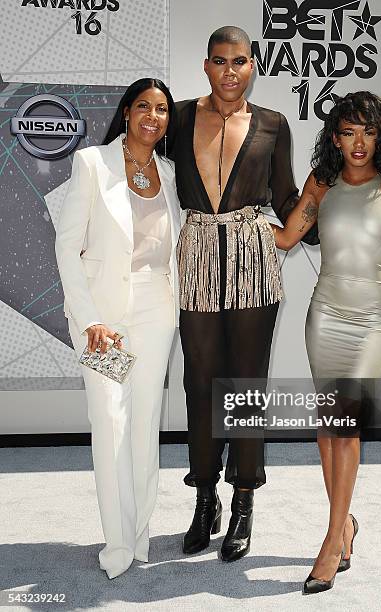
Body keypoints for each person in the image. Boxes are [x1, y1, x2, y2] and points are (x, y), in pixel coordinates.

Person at [173, 25, 318, 562]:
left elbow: (284, 195)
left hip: (254, 257)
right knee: (200, 383)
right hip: (198, 257)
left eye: (239, 61)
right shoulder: (179, 116)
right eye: (219, 61)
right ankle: (204, 499)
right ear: (206, 66)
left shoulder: (274, 125)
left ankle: (242, 504)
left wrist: (317, 199)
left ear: (253, 66)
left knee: (245, 387)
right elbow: (145, 166)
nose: (229, 71)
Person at [272, 91, 381, 594]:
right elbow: (288, 238)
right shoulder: (322, 182)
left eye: (369, 131)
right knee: (327, 430)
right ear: (335, 137)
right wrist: (236, 218)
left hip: (374, 322)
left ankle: (332, 540)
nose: (359, 143)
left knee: (346, 426)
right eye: (349, 132)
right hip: (325, 318)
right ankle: (345, 526)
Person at [55, 78, 180, 579]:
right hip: (103, 319)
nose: (154, 116)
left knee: (145, 424)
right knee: (111, 424)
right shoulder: (92, 164)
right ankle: (118, 543)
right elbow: (68, 247)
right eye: (145, 107)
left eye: (163, 109)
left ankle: (140, 534)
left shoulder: (169, 172)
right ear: (127, 112)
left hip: (156, 309)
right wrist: (90, 321)